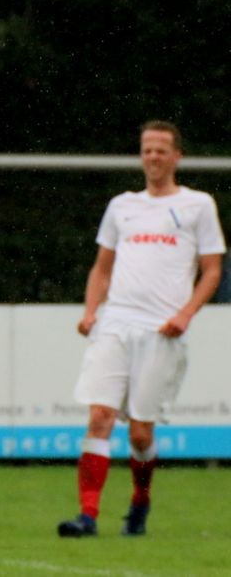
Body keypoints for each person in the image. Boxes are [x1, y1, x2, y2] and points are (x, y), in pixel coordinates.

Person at [58, 120, 225, 538]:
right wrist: (91, 310)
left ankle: (140, 500)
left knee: (139, 432)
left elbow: (211, 270)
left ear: (177, 156)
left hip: (162, 332)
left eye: (161, 150)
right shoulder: (122, 206)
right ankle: (88, 516)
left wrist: (185, 314)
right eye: (147, 149)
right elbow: (102, 267)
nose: (153, 156)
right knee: (99, 416)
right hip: (115, 324)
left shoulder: (198, 205)